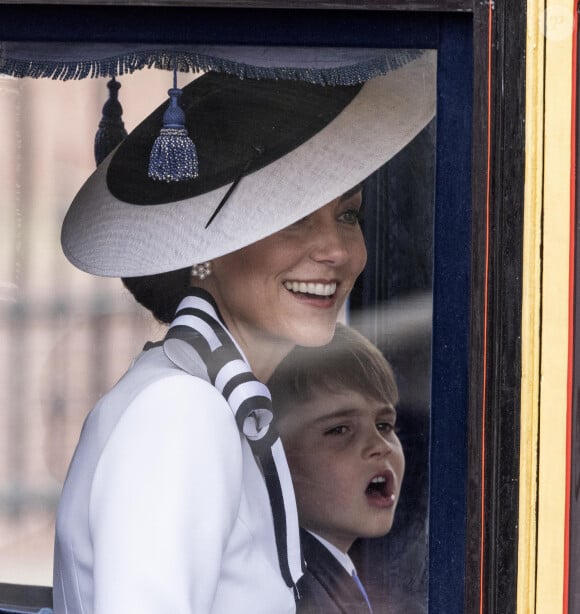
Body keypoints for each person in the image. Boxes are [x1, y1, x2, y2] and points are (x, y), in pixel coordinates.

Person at [53, 51, 435, 614]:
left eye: (348, 216)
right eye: (294, 217)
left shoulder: (211, 405)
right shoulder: (182, 410)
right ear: (205, 248)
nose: (335, 251)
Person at [268, 323, 404, 613]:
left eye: (384, 425)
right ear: (277, 458)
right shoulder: (297, 596)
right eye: (340, 430)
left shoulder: (326, 575)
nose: (380, 445)